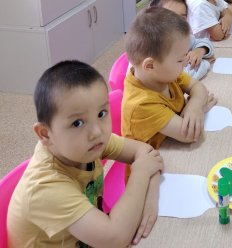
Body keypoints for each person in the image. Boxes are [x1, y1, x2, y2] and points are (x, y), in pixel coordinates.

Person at [7, 60, 163, 248]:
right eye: (77, 123)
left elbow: (146, 153)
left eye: (102, 113)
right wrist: (141, 173)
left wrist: (151, 198)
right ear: (45, 134)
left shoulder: (85, 144)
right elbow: (114, 239)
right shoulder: (46, 188)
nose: (96, 131)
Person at [121, 7, 216, 153]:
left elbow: (198, 87)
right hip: (151, 162)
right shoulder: (141, 103)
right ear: (150, 65)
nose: (185, 62)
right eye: (180, 60)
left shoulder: (164, 74)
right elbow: (190, 135)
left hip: (169, 147)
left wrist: (194, 106)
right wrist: (201, 108)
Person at [150, 0, 214, 80]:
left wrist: (200, 50)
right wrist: (206, 63)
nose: (178, 22)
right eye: (170, 18)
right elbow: (181, 78)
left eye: (182, 18)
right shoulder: (157, 47)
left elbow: (204, 41)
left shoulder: (180, 37)